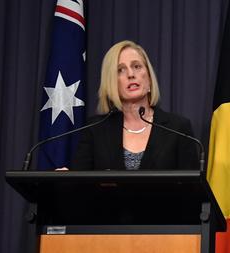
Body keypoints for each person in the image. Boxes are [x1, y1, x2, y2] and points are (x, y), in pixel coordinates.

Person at [71, 40, 198, 170]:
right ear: (111, 83)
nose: (131, 74)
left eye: (137, 66)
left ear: (149, 78)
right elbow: (78, 185)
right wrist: (64, 180)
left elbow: (192, 187)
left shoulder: (178, 129)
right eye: (120, 70)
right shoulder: (95, 130)